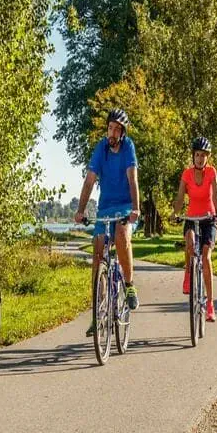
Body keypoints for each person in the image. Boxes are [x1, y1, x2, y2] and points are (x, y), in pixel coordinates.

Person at [73, 108, 141, 336]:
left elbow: (133, 178)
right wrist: (81, 210)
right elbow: (89, 181)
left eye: (116, 129)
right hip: (104, 209)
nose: (112, 132)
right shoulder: (100, 149)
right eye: (110, 128)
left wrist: (136, 208)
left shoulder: (128, 147)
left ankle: (129, 286)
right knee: (98, 251)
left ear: (122, 133)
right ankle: (98, 311)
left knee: (122, 236)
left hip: (125, 207)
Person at [172, 136, 217, 322]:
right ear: (193, 156)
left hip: (209, 219)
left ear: (207, 157)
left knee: (206, 256)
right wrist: (175, 212)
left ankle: (210, 304)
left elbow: (216, 195)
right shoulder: (186, 174)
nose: (200, 158)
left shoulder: (211, 173)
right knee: (190, 242)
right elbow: (180, 198)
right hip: (192, 217)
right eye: (197, 155)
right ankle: (188, 273)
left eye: (203, 155)